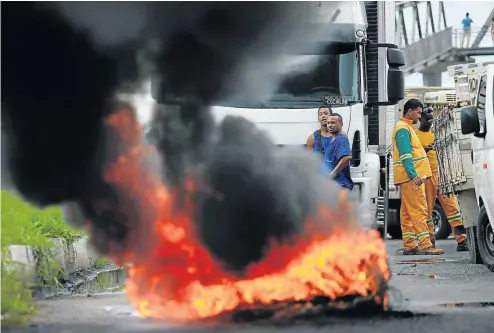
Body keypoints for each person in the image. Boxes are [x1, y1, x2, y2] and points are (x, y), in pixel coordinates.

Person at [391, 99, 444, 255]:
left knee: (407, 213)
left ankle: (409, 245)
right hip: (412, 179)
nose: (419, 116)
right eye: (418, 113)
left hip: (408, 178)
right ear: (410, 112)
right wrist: (414, 176)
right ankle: (425, 244)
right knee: (418, 210)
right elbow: (406, 155)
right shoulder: (403, 128)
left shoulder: (406, 127)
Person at [415, 107, 468, 252]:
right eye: (427, 119)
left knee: (452, 208)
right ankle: (429, 240)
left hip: (442, 174)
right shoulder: (415, 135)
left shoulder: (436, 133)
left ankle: (462, 239)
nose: (430, 122)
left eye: (432, 120)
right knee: (427, 210)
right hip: (426, 176)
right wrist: (426, 149)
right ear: (420, 118)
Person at [323, 113, 354, 191]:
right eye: (328, 123)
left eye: (333, 123)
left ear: (341, 124)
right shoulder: (332, 141)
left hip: (340, 185)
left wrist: (333, 173)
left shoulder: (341, 139)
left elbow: (347, 157)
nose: (330, 125)